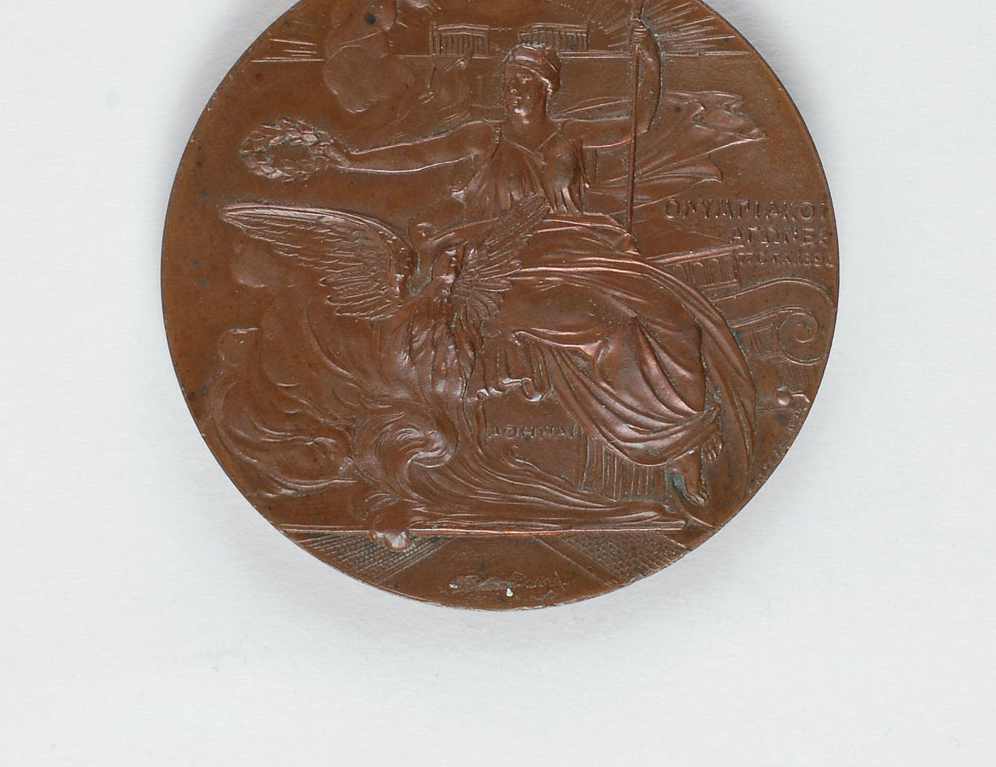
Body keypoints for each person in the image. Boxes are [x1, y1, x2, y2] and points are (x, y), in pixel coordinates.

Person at [306, 40, 755, 515]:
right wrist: (348, 160)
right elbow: (417, 156)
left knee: (675, 318)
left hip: (578, 253)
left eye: (523, 81)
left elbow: (638, 124)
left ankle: (686, 425)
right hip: (507, 269)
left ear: (546, 86)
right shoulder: (484, 138)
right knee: (614, 330)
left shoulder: (570, 135)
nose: (513, 90)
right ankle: (673, 445)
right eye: (507, 82)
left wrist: (650, 61)